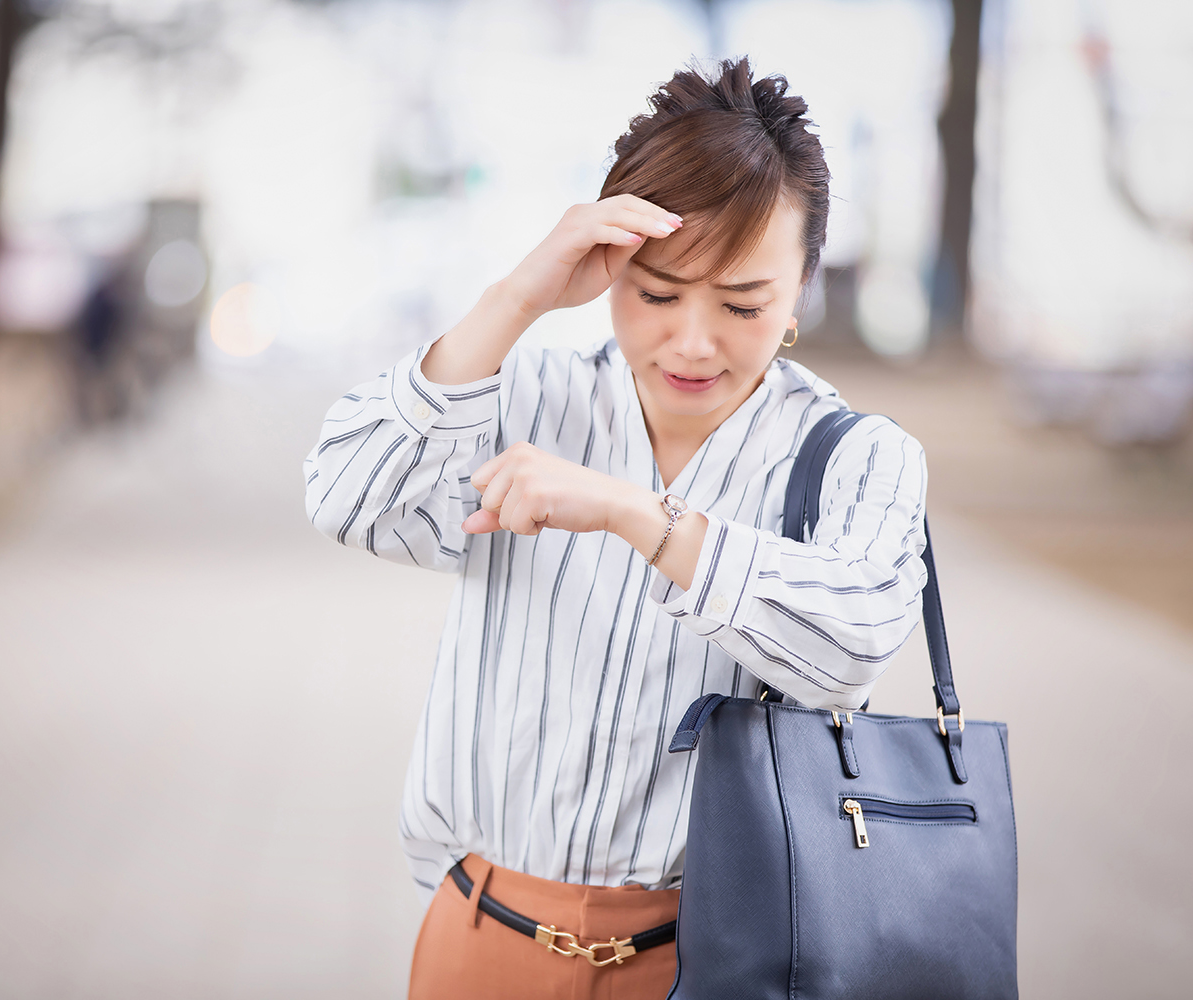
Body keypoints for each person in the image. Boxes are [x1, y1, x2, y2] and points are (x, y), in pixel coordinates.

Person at [303, 57, 929, 1000]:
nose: (691, 341)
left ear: (800, 290)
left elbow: (850, 648)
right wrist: (516, 297)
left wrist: (637, 516)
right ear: (607, 270)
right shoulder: (526, 398)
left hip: (724, 960)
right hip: (483, 939)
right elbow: (346, 494)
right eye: (659, 292)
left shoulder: (858, 457)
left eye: (743, 304)